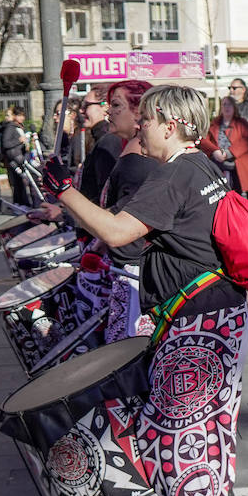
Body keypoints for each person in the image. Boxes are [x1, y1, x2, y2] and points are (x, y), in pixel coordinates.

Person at [39, 84, 248, 496]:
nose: (141, 128)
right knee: (202, 433)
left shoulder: (175, 173)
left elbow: (115, 233)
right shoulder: (202, 167)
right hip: (214, 317)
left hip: (199, 323)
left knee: (174, 440)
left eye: (149, 121)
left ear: (171, 125)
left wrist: (63, 190)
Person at [96, 79, 157, 342]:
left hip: (133, 272)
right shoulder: (132, 150)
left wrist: (66, 196)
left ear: (139, 113)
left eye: (116, 105)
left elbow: (125, 223)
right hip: (128, 268)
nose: (108, 111)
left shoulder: (138, 160)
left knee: (128, 350)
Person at [199, 96, 248, 196]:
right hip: (218, 165)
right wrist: (214, 151)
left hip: (238, 166)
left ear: (234, 107)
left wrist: (228, 153)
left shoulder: (242, 123)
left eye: (229, 104)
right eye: (224, 104)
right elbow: (204, 141)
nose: (227, 107)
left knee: (239, 195)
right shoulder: (214, 123)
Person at [0, 106, 30, 206]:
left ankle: (22, 202)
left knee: (20, 182)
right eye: (19, 115)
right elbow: (6, 144)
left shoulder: (19, 127)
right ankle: (20, 203)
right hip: (14, 159)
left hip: (20, 157)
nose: (22, 118)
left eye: (23, 115)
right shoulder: (10, 127)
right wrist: (19, 141)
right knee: (18, 183)